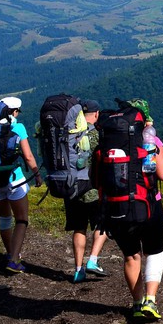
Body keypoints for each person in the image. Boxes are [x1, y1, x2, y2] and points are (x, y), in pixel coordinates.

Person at [109, 116, 163, 321]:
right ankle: (150, 301)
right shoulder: (150, 140)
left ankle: (136, 304)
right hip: (149, 204)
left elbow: (94, 177)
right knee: (154, 252)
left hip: (117, 207)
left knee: (131, 255)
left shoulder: (108, 141)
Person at [0, 96, 42, 274]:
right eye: (17, 111)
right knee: (21, 219)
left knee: (5, 218)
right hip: (14, 179)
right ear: (14, 111)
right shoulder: (17, 127)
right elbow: (28, 156)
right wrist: (37, 175)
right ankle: (14, 259)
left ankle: (9, 254)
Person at [65, 99, 109, 283]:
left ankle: (78, 270)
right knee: (103, 223)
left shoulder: (70, 134)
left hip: (71, 188)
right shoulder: (97, 135)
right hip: (91, 188)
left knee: (79, 227)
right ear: (96, 114)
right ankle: (92, 260)